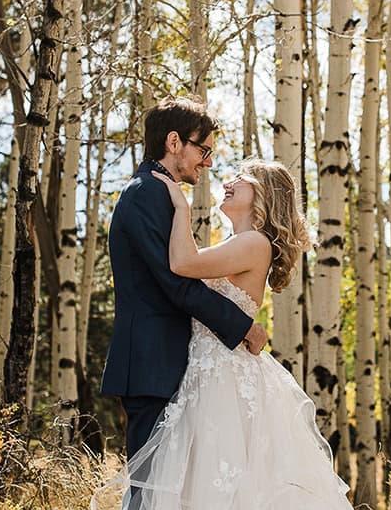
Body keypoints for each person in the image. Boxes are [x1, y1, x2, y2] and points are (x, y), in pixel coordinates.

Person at [92, 154, 391, 510]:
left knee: (234, 498)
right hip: (207, 376)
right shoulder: (239, 242)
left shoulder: (254, 242)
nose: (226, 183)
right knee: (213, 500)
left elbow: (180, 265)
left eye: (237, 179)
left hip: (223, 382)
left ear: (261, 196)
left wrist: (176, 203)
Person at [99, 98, 268, 471]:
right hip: (151, 365)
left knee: (168, 497)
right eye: (203, 150)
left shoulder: (157, 193)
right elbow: (176, 283)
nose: (207, 162)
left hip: (166, 365)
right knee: (150, 493)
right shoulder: (147, 194)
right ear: (174, 142)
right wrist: (243, 327)